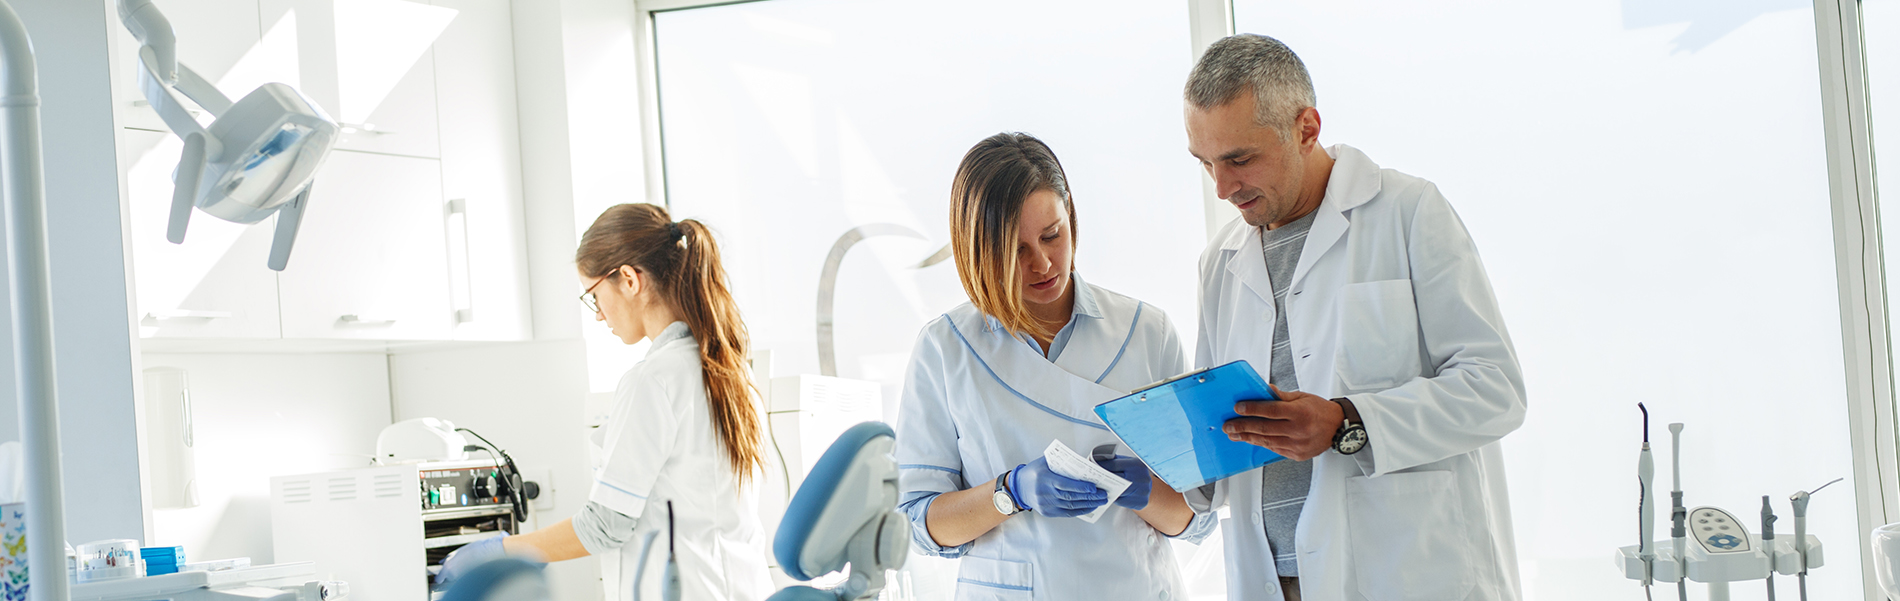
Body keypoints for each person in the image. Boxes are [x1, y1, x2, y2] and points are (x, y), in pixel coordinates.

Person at [1182, 34, 1527, 601]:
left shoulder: (1407, 212)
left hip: (1402, 572)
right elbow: (1217, 436)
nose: (1222, 188)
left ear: (1307, 128)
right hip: (1275, 579)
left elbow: (1496, 390)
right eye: (1206, 164)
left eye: (1240, 159)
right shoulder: (1219, 264)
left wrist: (1346, 422)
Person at [894, 132, 1216, 600]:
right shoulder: (946, 349)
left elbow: (1196, 520)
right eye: (1016, 250)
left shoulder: (1147, 332)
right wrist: (1010, 492)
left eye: (1052, 235)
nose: (1043, 263)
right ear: (978, 250)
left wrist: (1149, 494)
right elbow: (920, 523)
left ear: (1072, 219)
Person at [436, 203, 773, 601]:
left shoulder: (653, 380)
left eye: (595, 296)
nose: (599, 316)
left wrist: (497, 553)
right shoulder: (730, 368)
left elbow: (605, 525)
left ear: (629, 279)